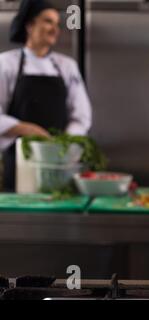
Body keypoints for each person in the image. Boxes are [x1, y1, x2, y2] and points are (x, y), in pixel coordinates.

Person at [0, 0, 92, 191]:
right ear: (30, 25)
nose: (54, 29)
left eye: (57, 24)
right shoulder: (6, 63)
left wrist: (64, 145)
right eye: (48, 22)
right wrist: (27, 129)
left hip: (61, 161)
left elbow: (81, 115)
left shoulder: (67, 66)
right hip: (19, 160)